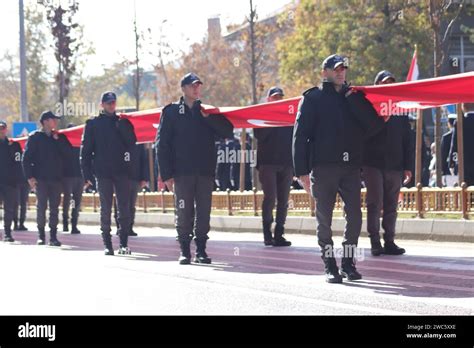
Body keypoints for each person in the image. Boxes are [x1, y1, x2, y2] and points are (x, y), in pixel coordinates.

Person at [293, 54, 382, 283]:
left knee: (355, 217)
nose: (341, 73)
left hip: (350, 167)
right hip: (323, 168)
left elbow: (374, 126)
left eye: (344, 69)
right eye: (337, 69)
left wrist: (354, 101)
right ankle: (329, 264)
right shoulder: (313, 99)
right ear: (325, 72)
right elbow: (300, 136)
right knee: (325, 219)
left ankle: (348, 263)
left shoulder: (353, 97)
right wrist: (301, 171)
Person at [155, 73, 234, 265]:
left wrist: (208, 119)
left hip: (205, 171)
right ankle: (184, 251)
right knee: (183, 211)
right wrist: (166, 175)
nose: (196, 89)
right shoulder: (171, 112)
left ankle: (201, 250)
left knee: (203, 212)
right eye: (192, 86)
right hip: (181, 173)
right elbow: (161, 145)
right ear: (183, 89)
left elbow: (228, 131)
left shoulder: (207, 112)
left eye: (198, 86)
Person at [362, 70, 412, 257]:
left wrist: (407, 166)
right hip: (372, 164)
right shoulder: (367, 108)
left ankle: (389, 241)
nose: (387, 86)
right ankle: (375, 241)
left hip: (395, 165)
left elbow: (407, 139)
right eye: (384, 83)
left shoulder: (400, 109)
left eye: (390, 83)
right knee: (375, 203)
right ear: (376, 85)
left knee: (391, 205)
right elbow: (361, 136)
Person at [80, 91, 137, 255]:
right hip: (103, 172)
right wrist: (87, 174)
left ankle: (124, 243)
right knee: (105, 208)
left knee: (124, 208)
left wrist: (123, 128)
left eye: (113, 102)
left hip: (122, 172)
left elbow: (132, 144)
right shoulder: (93, 124)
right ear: (102, 105)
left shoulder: (123, 122)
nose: (111, 105)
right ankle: (107, 244)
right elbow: (86, 151)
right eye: (108, 103)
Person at [22, 111, 73, 246]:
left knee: (54, 209)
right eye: (53, 119)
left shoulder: (59, 138)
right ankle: (41, 235)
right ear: (45, 121)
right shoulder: (35, 137)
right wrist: (30, 177)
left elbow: (69, 154)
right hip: (41, 179)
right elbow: (26, 159)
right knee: (41, 207)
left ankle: (53, 237)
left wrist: (58, 141)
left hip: (56, 179)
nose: (55, 122)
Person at [254, 86, 293, 247]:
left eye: (280, 97)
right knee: (270, 198)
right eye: (275, 97)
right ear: (269, 99)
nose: (278, 99)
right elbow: (259, 136)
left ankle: (279, 234)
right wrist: (274, 119)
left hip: (286, 163)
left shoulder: (289, 116)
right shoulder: (261, 115)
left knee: (283, 200)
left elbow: (295, 139)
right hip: (267, 163)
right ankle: (266, 233)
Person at [114, 143, 149, 237]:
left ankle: (129, 228)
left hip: (135, 177)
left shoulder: (139, 142)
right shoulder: (117, 138)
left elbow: (144, 160)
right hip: (120, 177)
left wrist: (144, 178)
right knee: (120, 204)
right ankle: (120, 228)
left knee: (131, 205)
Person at [0, 121, 22, 242]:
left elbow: (18, 162)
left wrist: (19, 179)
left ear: (6, 130)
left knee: (9, 209)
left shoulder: (14, 145)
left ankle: (8, 233)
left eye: (2, 128)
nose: (1, 131)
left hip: (10, 182)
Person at [62, 123, 84, 234]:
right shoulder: (64, 144)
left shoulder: (80, 144)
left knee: (76, 201)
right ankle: (65, 222)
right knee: (68, 200)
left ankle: (74, 224)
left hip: (79, 177)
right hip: (67, 177)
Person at [450, 102, 474, 187]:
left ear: (463, 107)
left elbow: (454, 145)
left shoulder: (460, 122)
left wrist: (452, 162)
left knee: (465, 191)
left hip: (464, 163)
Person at [440, 114, 457, 187]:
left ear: (449, 124)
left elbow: (443, 155)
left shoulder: (446, 137)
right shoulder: (463, 134)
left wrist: (442, 171)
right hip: (462, 168)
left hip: (448, 169)